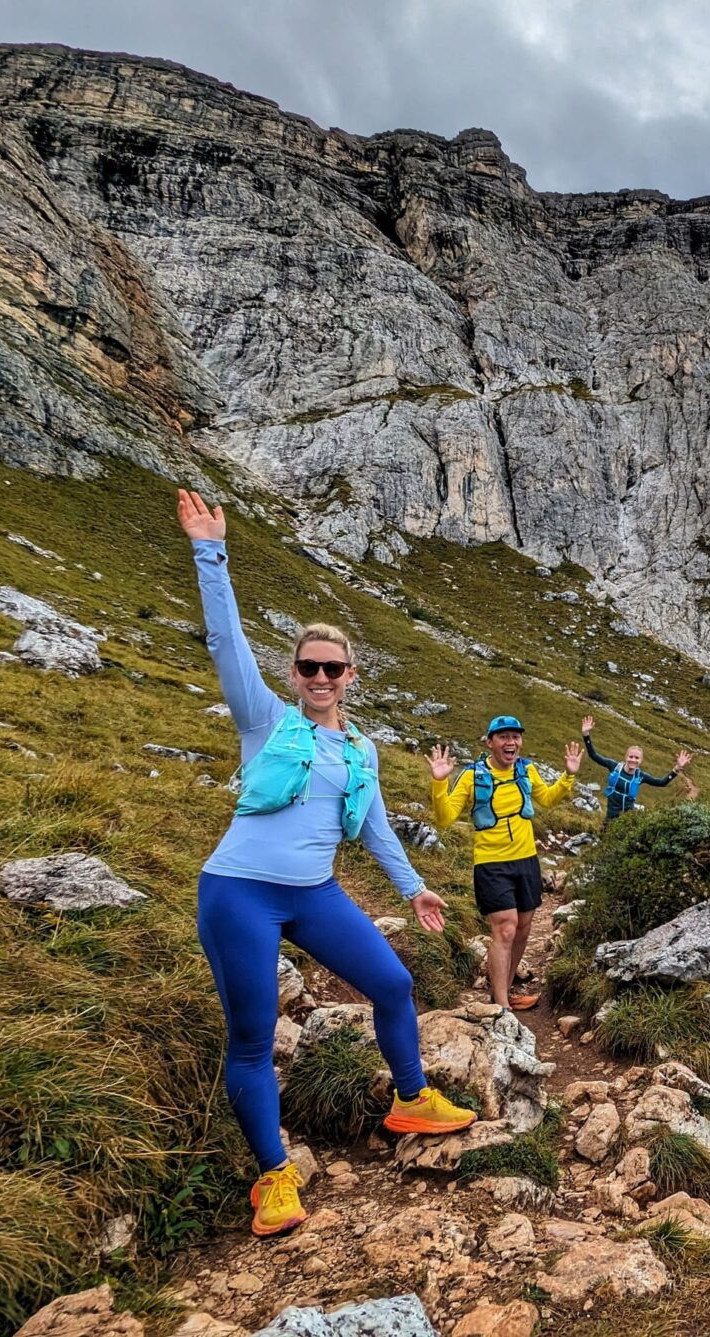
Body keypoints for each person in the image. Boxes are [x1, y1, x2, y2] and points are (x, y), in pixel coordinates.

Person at [176, 489, 476, 1240]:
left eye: (332, 668)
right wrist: (211, 553)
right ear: (293, 672)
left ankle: (411, 1098)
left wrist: (414, 889)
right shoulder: (265, 719)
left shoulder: (361, 750)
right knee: (253, 1036)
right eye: (309, 666)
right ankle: (274, 1175)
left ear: (350, 674)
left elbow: (374, 830)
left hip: (314, 892)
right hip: (239, 893)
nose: (320, 676)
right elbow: (225, 642)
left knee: (394, 983)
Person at [428, 717, 580, 1010]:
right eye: (503, 737)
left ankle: (504, 991)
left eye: (515, 737)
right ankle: (501, 1007)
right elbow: (444, 818)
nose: (511, 742)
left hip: (526, 860)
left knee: (523, 928)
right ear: (490, 742)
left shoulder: (527, 770)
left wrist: (568, 776)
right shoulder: (472, 776)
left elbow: (548, 799)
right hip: (491, 863)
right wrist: (439, 782)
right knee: (506, 929)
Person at [580, 714, 691, 823]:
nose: (633, 760)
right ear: (626, 758)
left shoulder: (640, 776)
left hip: (627, 820)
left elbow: (661, 782)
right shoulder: (614, 766)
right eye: (631, 757)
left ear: (640, 761)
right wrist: (586, 735)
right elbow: (594, 755)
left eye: (637, 758)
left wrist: (676, 769)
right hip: (610, 819)